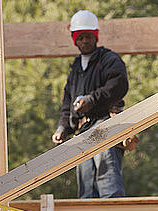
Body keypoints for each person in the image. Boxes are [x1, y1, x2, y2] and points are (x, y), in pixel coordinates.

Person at [52, 10, 136, 199]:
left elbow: (119, 84)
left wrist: (91, 100)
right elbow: (67, 102)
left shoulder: (108, 60)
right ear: (75, 39)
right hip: (83, 130)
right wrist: (63, 127)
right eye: (80, 37)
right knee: (86, 184)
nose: (84, 41)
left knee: (107, 181)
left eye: (88, 36)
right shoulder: (75, 69)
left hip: (105, 124)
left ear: (95, 36)